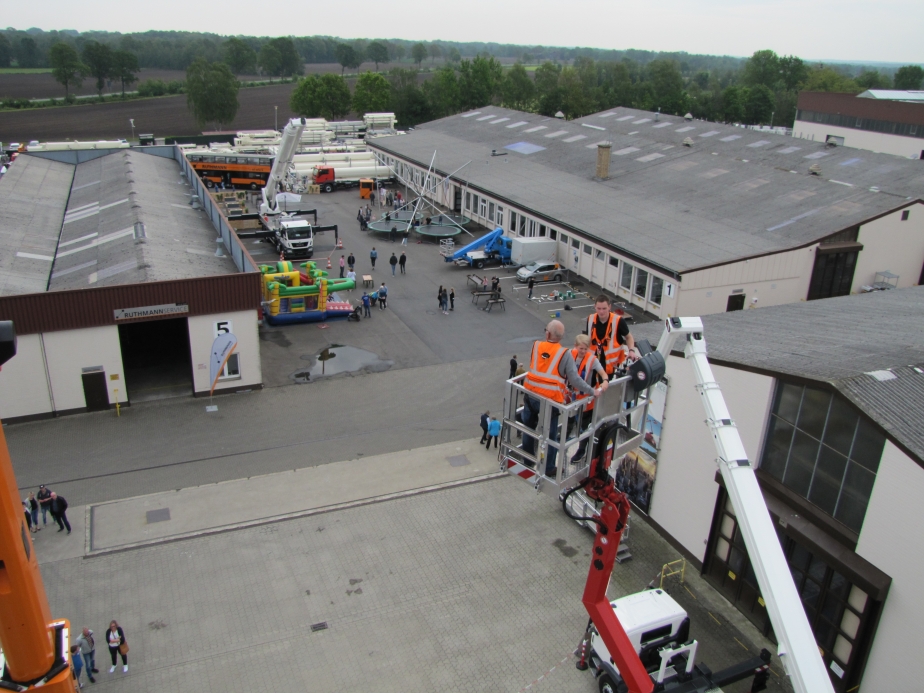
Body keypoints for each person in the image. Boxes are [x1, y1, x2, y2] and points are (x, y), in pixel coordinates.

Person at [520, 320, 604, 476]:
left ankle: (527, 459)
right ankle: (549, 467)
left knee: (528, 427)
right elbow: (575, 380)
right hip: (550, 400)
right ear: (561, 337)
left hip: (531, 395)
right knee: (551, 436)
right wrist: (592, 391)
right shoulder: (564, 354)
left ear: (547, 333)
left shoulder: (536, 345)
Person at [568, 334, 609, 463]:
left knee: (584, 427)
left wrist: (605, 381)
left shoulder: (592, 360)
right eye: (581, 348)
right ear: (575, 346)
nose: (583, 351)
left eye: (586, 349)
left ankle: (581, 450)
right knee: (569, 421)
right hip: (571, 398)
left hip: (587, 400)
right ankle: (563, 441)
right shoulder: (569, 354)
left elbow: (603, 373)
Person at [585, 295, 636, 377]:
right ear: (595, 307)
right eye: (599, 308)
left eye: (604, 308)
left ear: (609, 307)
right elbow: (587, 339)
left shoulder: (618, 321)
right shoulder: (590, 319)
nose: (601, 312)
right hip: (592, 364)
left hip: (609, 367)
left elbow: (629, 337)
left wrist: (631, 351)